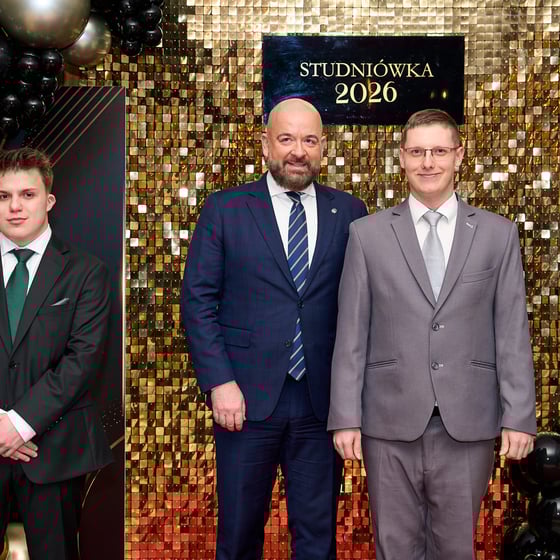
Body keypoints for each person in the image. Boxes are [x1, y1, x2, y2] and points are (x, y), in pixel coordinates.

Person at [328, 109, 537, 559]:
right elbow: (351, 334)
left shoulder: (498, 234)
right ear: (402, 158)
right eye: (418, 151)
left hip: (469, 420)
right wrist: (345, 416)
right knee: (394, 547)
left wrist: (519, 416)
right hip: (388, 421)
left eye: (439, 151)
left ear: (459, 156)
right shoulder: (366, 235)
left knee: (455, 548)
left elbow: (511, 330)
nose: (428, 162)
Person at [181, 98, 367, 559]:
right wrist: (219, 382)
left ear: (323, 147)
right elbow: (198, 302)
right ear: (266, 145)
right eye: (286, 139)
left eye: (309, 140)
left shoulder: (351, 212)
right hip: (244, 402)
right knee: (239, 534)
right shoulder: (225, 209)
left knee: (317, 539)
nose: (298, 151)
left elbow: (363, 308)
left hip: (321, 404)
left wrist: (355, 399)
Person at [0, 147, 113, 560]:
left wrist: (21, 423)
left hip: (54, 451)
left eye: (27, 195)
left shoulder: (87, 272)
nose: (15, 207)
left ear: (49, 200)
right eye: (3, 196)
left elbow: (83, 359)